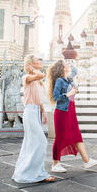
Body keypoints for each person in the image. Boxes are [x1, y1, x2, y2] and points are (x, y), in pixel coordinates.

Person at [47, 60, 97, 173]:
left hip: (71, 111)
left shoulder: (68, 79)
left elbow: (75, 70)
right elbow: (55, 96)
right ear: (61, 68)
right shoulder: (59, 81)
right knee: (60, 137)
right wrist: (68, 94)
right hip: (62, 112)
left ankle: (87, 161)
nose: (68, 65)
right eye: (65, 64)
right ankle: (55, 164)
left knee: (77, 135)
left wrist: (70, 64)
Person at [12, 55, 56, 183]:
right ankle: (32, 173)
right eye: (37, 59)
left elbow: (39, 98)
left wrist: (43, 112)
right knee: (40, 142)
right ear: (31, 63)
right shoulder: (26, 78)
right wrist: (31, 69)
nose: (40, 61)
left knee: (33, 143)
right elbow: (40, 75)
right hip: (30, 112)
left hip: (36, 111)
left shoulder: (37, 81)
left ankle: (38, 172)